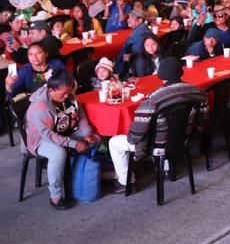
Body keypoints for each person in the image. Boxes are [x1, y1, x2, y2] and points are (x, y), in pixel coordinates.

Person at [107, 57, 209, 191]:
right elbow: (203, 118)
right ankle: (167, 168)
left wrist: (132, 139)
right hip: (183, 139)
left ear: (161, 76)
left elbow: (139, 131)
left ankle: (126, 182)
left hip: (158, 145)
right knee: (166, 129)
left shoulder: (154, 99)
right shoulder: (197, 92)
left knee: (114, 142)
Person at [25, 70, 98, 209]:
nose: (66, 96)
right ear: (51, 90)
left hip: (64, 130)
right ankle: (56, 196)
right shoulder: (40, 107)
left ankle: (83, 178)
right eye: (63, 93)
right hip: (40, 139)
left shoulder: (69, 95)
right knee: (58, 153)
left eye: (68, 92)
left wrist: (87, 133)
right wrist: (74, 144)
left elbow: (80, 115)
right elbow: (48, 135)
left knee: (96, 138)